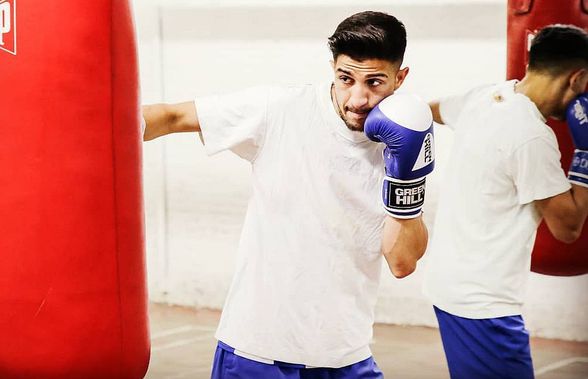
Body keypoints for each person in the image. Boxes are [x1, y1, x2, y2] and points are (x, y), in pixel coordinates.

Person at [142, 11, 434, 379]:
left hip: (345, 353)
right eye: (346, 78)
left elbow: (402, 263)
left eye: (374, 82)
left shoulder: (402, 140)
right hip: (259, 349)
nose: (357, 98)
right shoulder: (282, 110)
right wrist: (77, 125)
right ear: (332, 68)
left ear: (400, 77)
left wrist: (407, 179)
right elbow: (171, 116)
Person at [423, 24, 588, 379]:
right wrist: (587, 154)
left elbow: (428, 111)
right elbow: (568, 227)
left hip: (449, 284)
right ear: (578, 78)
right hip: (483, 302)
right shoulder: (532, 137)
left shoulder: (486, 96)